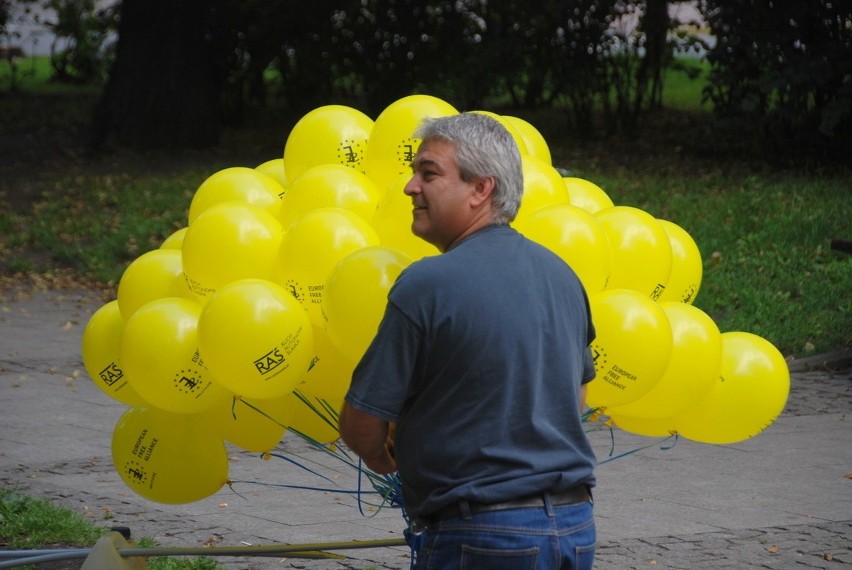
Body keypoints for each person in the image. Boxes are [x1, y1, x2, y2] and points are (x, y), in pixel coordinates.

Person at [338, 112, 597, 569]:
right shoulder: (563, 275)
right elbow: (573, 399)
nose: (409, 186)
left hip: (482, 534)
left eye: (429, 173)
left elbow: (361, 421)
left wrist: (384, 458)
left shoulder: (427, 283)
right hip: (574, 527)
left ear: (482, 189)